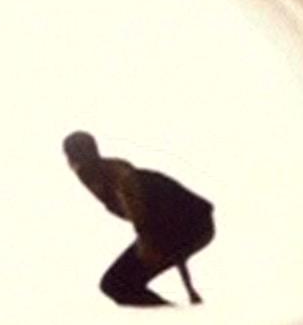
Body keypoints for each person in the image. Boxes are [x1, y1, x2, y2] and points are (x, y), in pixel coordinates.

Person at [64, 131, 216, 307]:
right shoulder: (103, 173)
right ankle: (172, 318)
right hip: (178, 226)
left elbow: (139, 206)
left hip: (190, 225)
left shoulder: (117, 174)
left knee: (117, 284)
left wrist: (148, 243)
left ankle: (174, 321)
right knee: (117, 284)